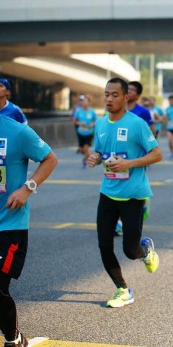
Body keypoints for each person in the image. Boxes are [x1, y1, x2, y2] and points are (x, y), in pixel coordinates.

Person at [86, 77, 162, 308]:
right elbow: (100, 151)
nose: (109, 99)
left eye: (115, 95)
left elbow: (157, 154)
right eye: (106, 94)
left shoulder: (137, 124)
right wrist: (95, 157)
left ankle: (145, 250)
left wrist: (128, 164)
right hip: (108, 192)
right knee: (104, 244)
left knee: (130, 250)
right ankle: (123, 289)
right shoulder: (101, 124)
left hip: (132, 195)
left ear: (126, 97)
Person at [0, 115, 58, 347]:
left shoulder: (18, 132)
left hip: (8, 224)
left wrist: (27, 188)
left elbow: (50, 159)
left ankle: (13, 339)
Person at [73, 95, 97, 169]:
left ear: (89, 102)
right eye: (82, 101)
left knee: (86, 149)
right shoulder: (78, 111)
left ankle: (87, 160)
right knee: (82, 150)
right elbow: (74, 120)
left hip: (89, 133)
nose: (83, 102)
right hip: (80, 133)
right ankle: (87, 158)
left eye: (85, 101)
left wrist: (92, 124)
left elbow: (96, 121)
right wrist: (80, 123)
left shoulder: (92, 112)